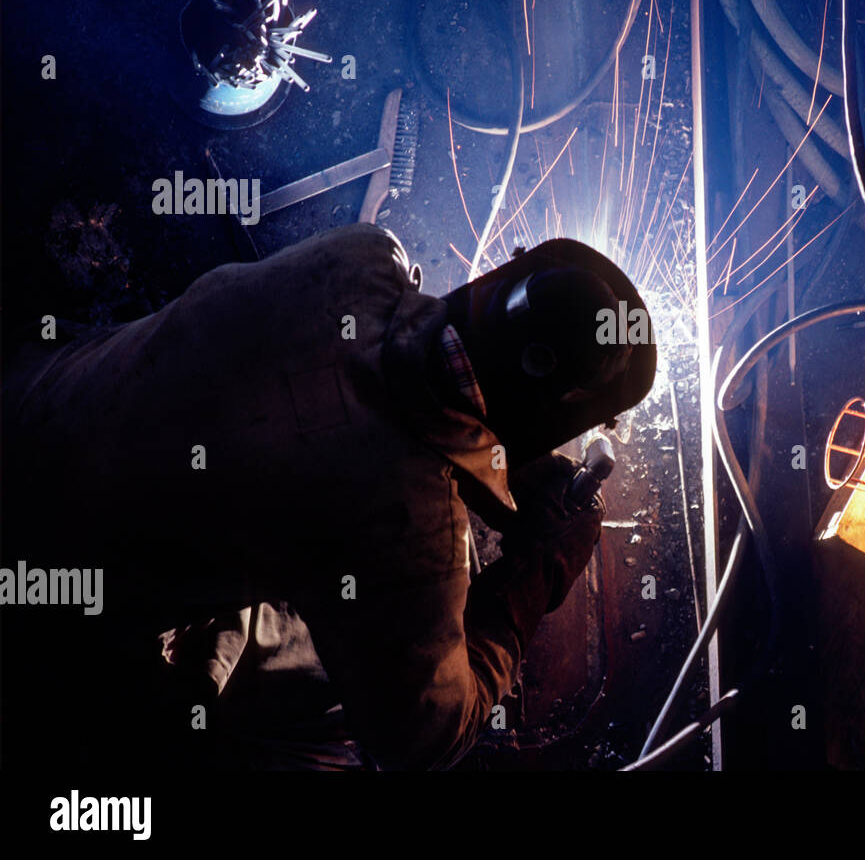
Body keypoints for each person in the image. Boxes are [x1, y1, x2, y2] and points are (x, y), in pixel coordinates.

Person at [0, 222, 655, 770]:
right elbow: (424, 742)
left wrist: (490, 461)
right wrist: (527, 585)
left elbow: (370, 396)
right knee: (331, 699)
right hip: (53, 610)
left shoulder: (362, 256)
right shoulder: (410, 538)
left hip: (27, 403)